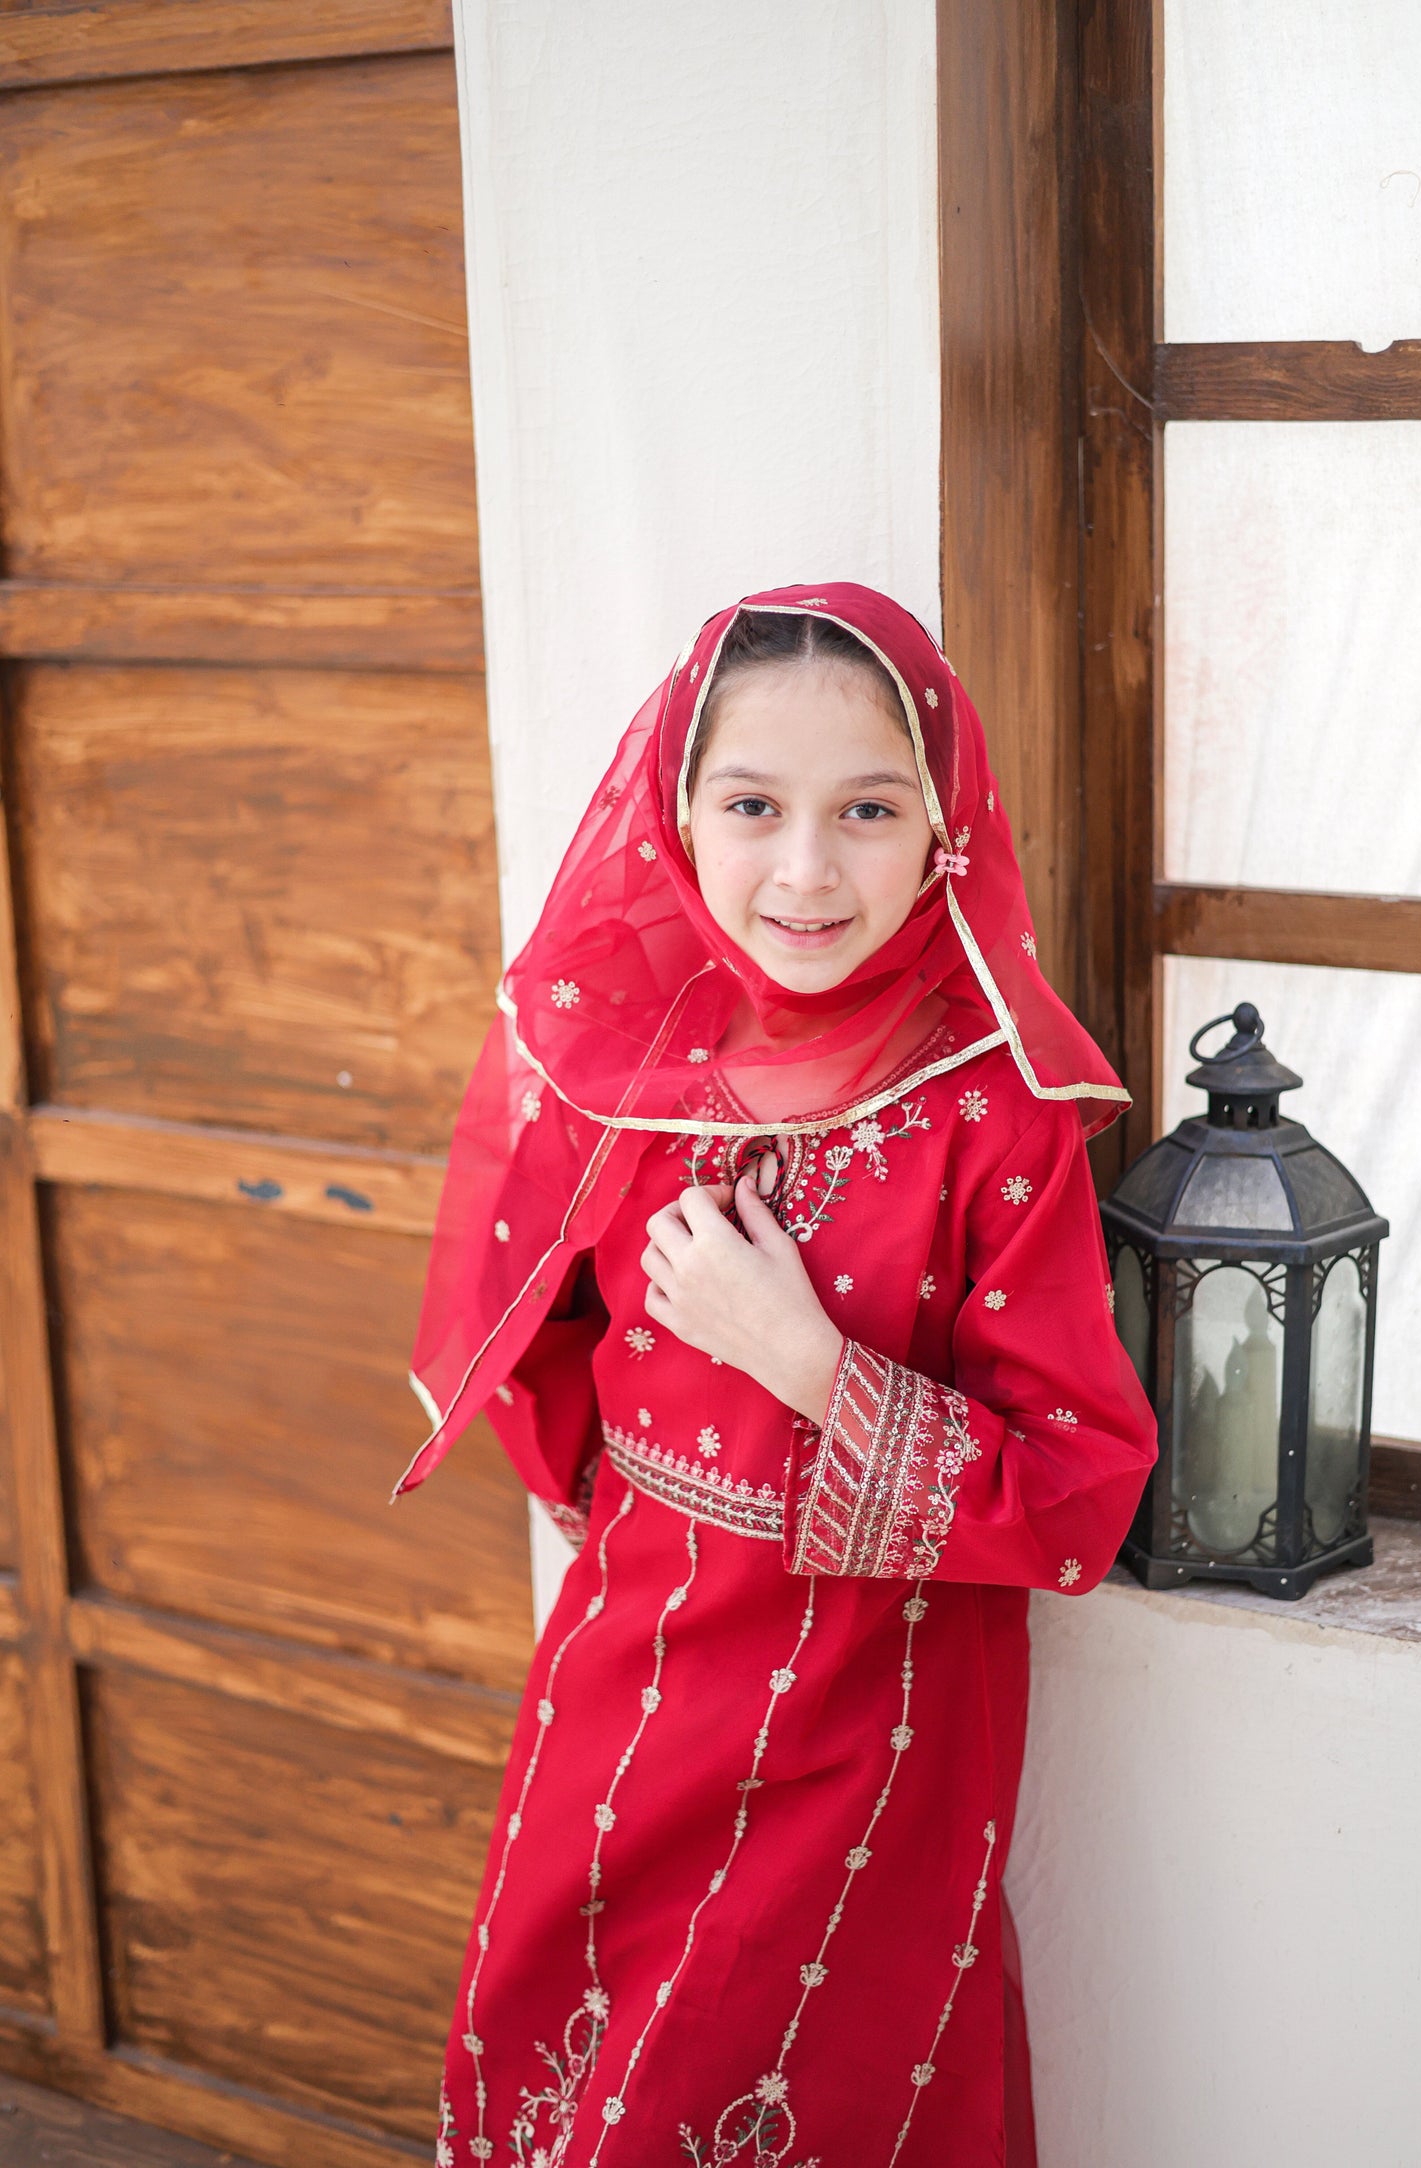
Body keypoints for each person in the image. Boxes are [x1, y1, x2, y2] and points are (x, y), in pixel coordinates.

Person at [403, 583, 1156, 2168]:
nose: (805, 869)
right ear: (676, 813)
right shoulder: (624, 1062)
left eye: (868, 810)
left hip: (855, 1740)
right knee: (558, 2093)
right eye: (751, 805)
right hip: (611, 1709)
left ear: (944, 829)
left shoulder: (993, 1112)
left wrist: (807, 1366)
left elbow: (1078, 1496)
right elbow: (537, 1363)